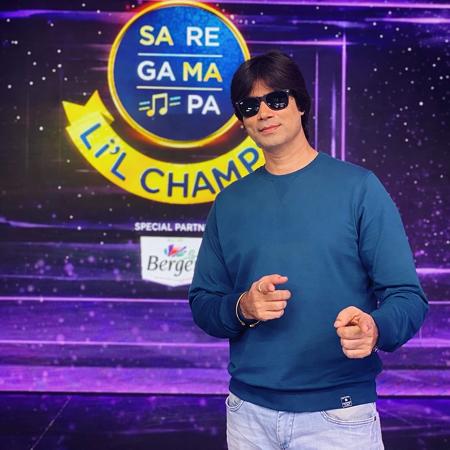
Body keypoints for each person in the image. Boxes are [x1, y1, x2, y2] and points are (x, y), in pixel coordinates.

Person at [188, 51, 428, 450]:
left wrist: (375, 329)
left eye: (275, 99)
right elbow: (203, 302)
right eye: (250, 106)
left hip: (339, 416)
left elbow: (408, 297)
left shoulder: (359, 189)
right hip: (248, 415)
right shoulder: (229, 202)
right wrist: (243, 307)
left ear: (301, 104)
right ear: (242, 121)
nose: (264, 113)